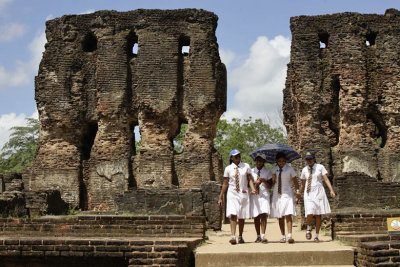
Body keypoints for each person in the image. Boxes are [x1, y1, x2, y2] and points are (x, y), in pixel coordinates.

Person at [218, 149, 256, 245]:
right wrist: (220, 196)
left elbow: (249, 179)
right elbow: (225, 183)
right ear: (232, 158)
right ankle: (233, 236)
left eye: (239, 155)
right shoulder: (228, 169)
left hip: (243, 193)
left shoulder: (246, 166)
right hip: (232, 193)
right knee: (233, 214)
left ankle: (240, 236)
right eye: (235, 156)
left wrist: (253, 189)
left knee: (242, 216)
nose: (238, 157)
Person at [298, 150, 336, 242]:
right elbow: (303, 184)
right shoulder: (304, 170)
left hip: (319, 192)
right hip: (308, 193)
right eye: (307, 159)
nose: (309, 161)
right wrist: (299, 193)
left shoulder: (320, 167)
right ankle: (309, 226)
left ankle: (316, 235)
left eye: (310, 159)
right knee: (309, 212)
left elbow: (326, 179)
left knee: (318, 214)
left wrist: (331, 190)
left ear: (314, 159)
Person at [270, 152, 300, 244]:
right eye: (279, 161)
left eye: (283, 161)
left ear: (285, 161)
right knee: (280, 215)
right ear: (276, 161)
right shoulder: (274, 170)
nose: (281, 163)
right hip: (277, 194)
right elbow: (271, 184)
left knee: (288, 214)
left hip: (287, 193)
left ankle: (290, 235)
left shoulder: (289, 169)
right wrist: (273, 178)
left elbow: (295, 181)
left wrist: (298, 191)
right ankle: (283, 235)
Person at [250, 153, 272, 243]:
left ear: (264, 162)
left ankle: (263, 235)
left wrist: (264, 181)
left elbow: (270, 186)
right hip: (255, 195)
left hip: (264, 195)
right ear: (256, 161)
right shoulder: (251, 172)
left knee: (263, 214)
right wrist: (255, 183)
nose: (259, 162)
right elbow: (248, 183)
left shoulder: (267, 172)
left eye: (261, 161)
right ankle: (258, 235)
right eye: (258, 160)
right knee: (256, 215)